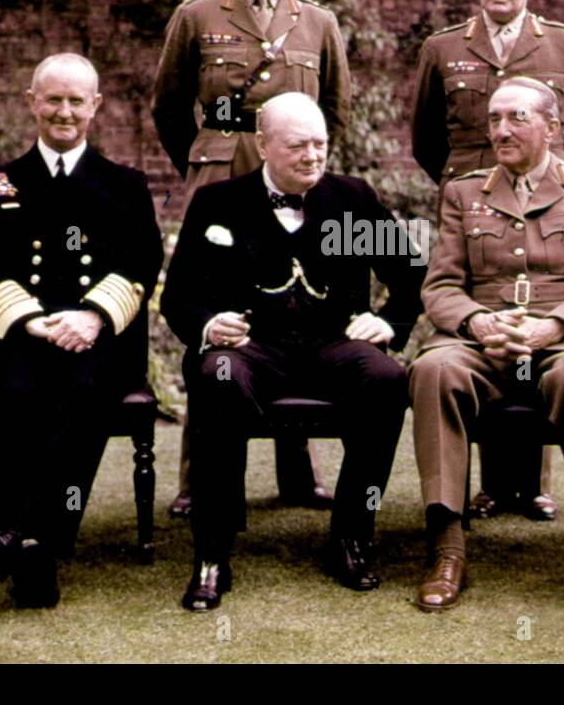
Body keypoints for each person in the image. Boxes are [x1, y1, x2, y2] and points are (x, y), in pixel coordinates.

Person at [160, 92, 424, 612]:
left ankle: (351, 535)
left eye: (320, 144)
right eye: (298, 145)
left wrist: (388, 322)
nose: (312, 156)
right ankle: (212, 552)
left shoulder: (352, 200)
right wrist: (210, 324)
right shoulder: (219, 203)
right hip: (252, 350)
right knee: (217, 377)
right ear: (262, 144)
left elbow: (410, 276)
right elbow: (178, 297)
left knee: (388, 379)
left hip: (334, 347)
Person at [151, 0, 352, 516]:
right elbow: (167, 105)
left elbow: (336, 110)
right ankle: (198, 479)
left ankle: (297, 471)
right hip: (221, 169)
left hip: (292, 176)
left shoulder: (317, 23)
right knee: (216, 316)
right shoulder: (198, 14)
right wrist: (209, 158)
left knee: (296, 306)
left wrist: (299, 166)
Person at [408, 77, 564, 618]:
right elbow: (439, 287)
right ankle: (447, 549)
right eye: (493, 119)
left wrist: (551, 328)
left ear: (552, 128)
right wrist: (480, 322)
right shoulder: (464, 192)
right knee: (433, 369)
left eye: (516, 118)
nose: (501, 130)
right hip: (485, 339)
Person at [411, 0, 564, 522]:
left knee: (537, 317)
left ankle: (530, 487)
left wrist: (560, 188)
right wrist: (467, 187)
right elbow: (426, 138)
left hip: (550, 208)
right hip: (472, 215)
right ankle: (486, 489)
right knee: (480, 332)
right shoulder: (443, 48)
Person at [0, 53, 163, 608]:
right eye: (53, 99)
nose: (64, 111)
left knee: (80, 395)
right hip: (28, 336)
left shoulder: (124, 183)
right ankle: (35, 544)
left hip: (104, 341)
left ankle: (24, 538)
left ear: (95, 106)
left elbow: (143, 264)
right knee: (18, 390)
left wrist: (92, 315)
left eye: (77, 100)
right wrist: (34, 321)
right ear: (32, 102)